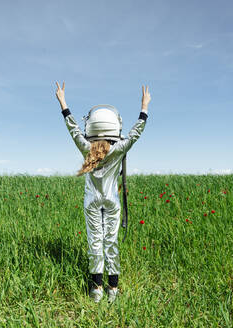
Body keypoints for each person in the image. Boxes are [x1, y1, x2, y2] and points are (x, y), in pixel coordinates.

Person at [55, 81, 150, 303]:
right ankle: (113, 290)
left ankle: (96, 288)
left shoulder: (85, 147)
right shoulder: (118, 149)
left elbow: (73, 129)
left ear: (92, 129)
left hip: (91, 201)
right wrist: (144, 107)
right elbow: (136, 132)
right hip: (112, 201)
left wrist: (63, 102)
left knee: (94, 242)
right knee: (111, 241)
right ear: (113, 128)